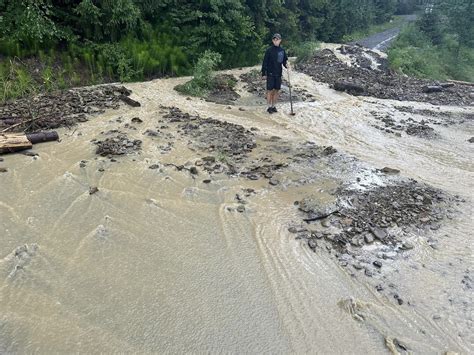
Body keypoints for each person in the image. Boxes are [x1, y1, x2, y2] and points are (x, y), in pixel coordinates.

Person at [261, 33, 289, 114]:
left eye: (277, 39)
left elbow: (284, 62)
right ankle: (269, 106)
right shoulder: (269, 50)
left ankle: (274, 106)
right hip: (270, 73)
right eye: (274, 39)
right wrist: (263, 73)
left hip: (278, 73)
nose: (275, 41)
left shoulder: (282, 51)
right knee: (269, 90)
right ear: (272, 40)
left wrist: (287, 65)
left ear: (280, 40)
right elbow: (264, 62)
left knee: (277, 90)